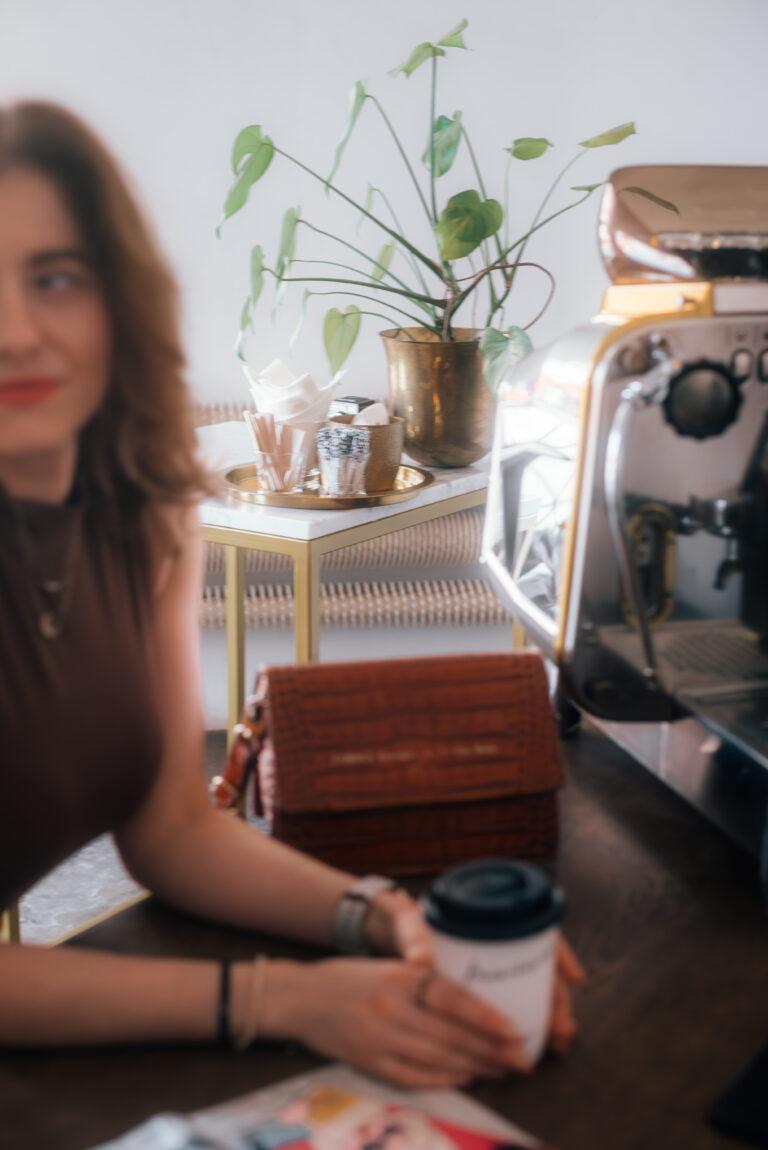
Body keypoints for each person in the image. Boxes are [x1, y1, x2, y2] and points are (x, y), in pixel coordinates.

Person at [0, 100, 583, 1086]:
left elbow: (173, 832)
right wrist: (281, 1000)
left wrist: (389, 918)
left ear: (118, 302)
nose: (15, 332)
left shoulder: (143, 514)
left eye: (55, 278)